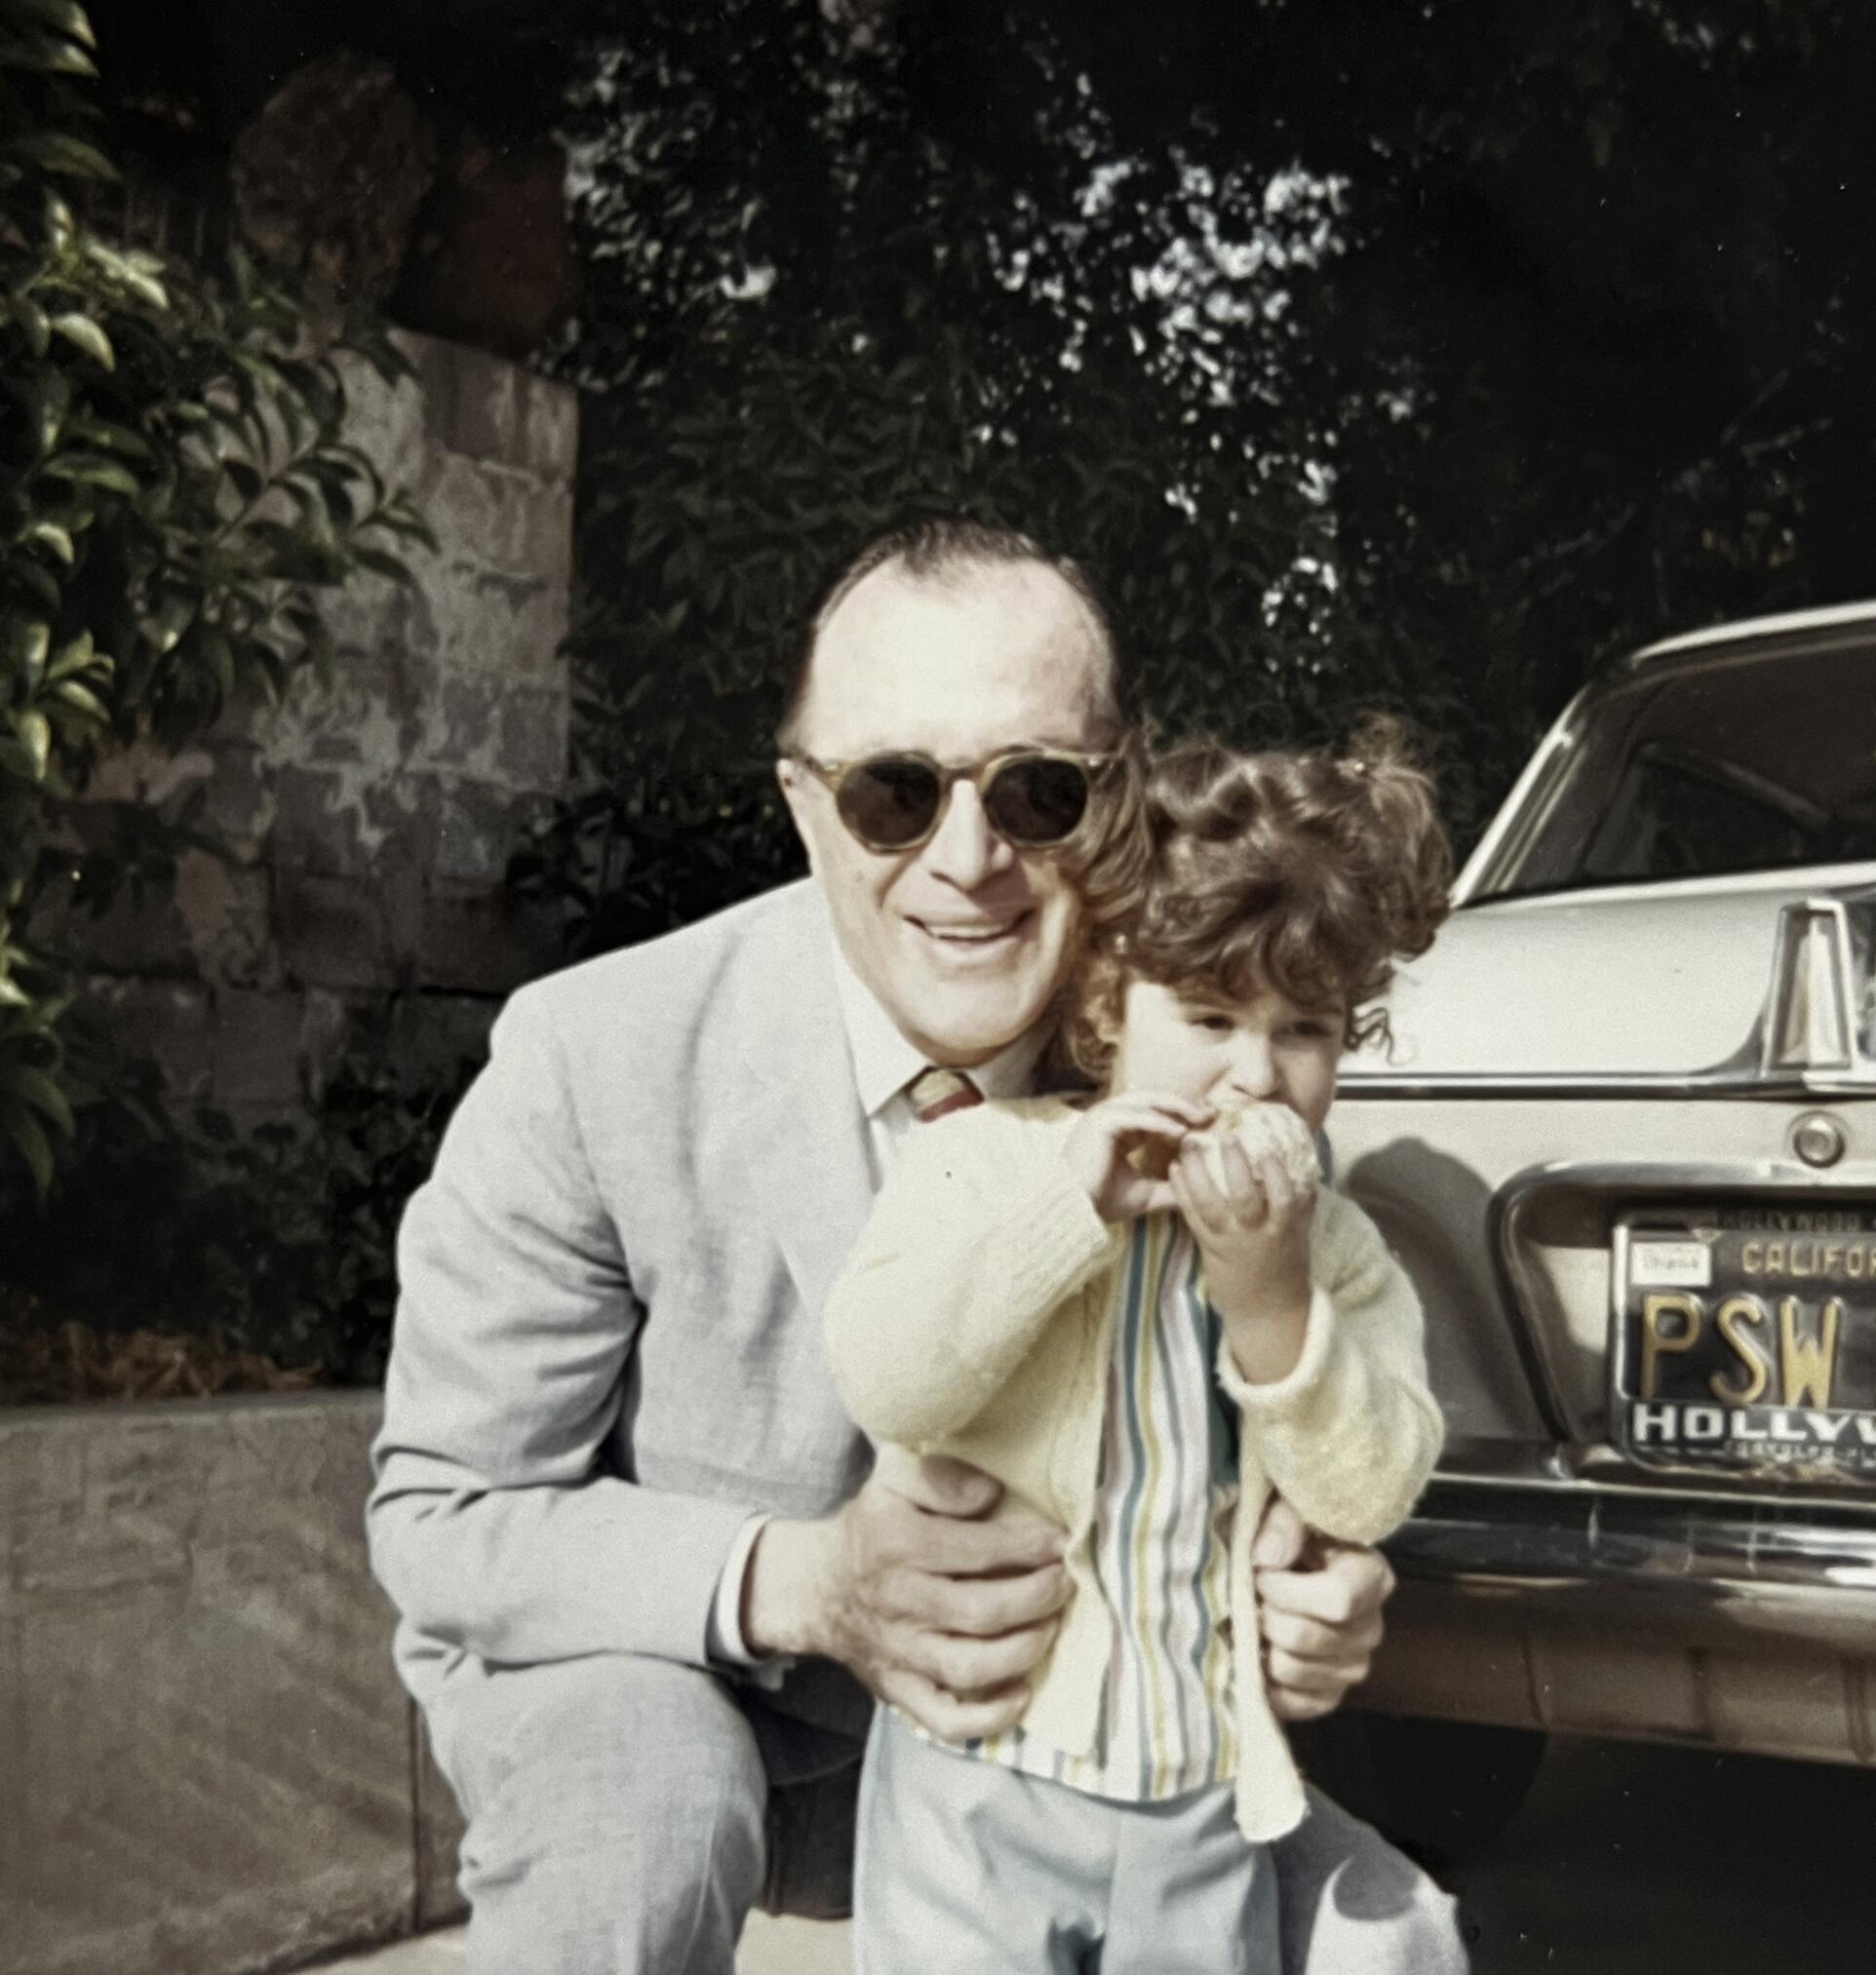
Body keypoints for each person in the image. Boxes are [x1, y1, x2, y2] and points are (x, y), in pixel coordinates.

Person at [368, 521, 1468, 1974]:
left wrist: (1318, 1573)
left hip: (1078, 1741)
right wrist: (807, 1580)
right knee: (644, 1823)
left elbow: (1300, 1409)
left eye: (1037, 790)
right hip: (707, 1706)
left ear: (1120, 793)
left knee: (1393, 1944)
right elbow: (450, 1514)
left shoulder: (1208, 1037)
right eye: (893, 792)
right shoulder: (598, 1056)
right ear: (805, 803)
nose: (970, 861)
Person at [826, 730, 1452, 1972]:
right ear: (1112, 1001)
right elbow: (884, 1375)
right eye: (1208, 1015)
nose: (1253, 1073)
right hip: (975, 1777)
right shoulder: (991, 1159)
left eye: (1305, 1031)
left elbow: (1372, 1486)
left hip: (1201, 1790)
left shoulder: (1329, 1249)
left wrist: (1271, 1306)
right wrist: (1069, 1210)